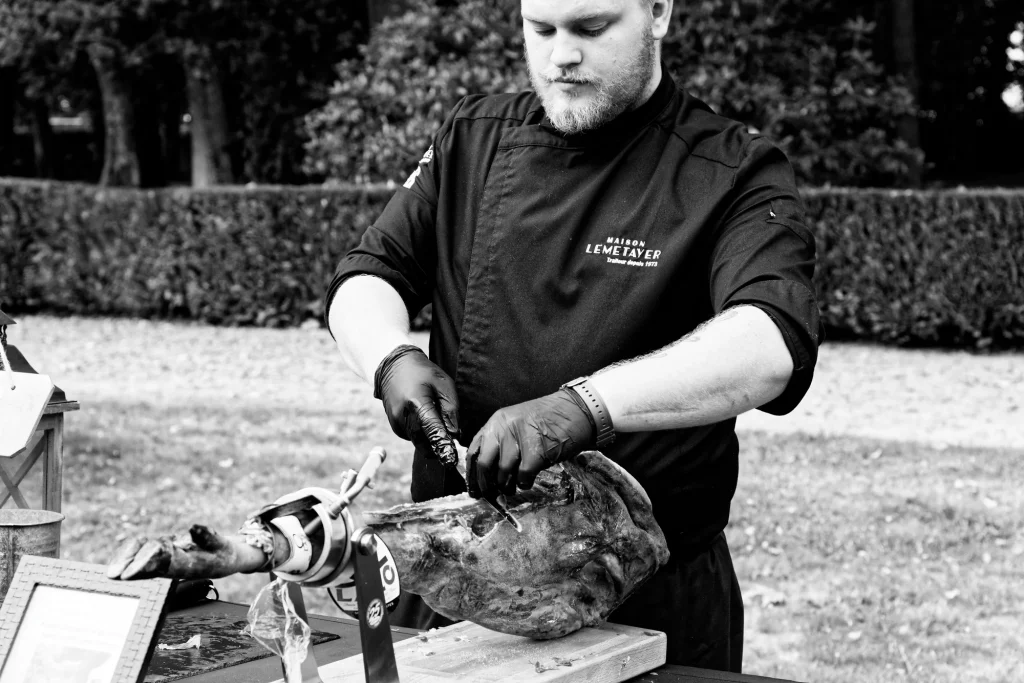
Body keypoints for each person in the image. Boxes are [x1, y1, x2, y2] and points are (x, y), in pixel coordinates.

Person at [325, 0, 822, 672]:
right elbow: (368, 274)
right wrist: (390, 357)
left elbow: (768, 343)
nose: (562, 55)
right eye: (542, 30)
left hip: (646, 598)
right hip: (451, 582)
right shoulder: (473, 138)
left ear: (659, 13)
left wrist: (583, 407)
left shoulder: (733, 169)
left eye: (591, 29)